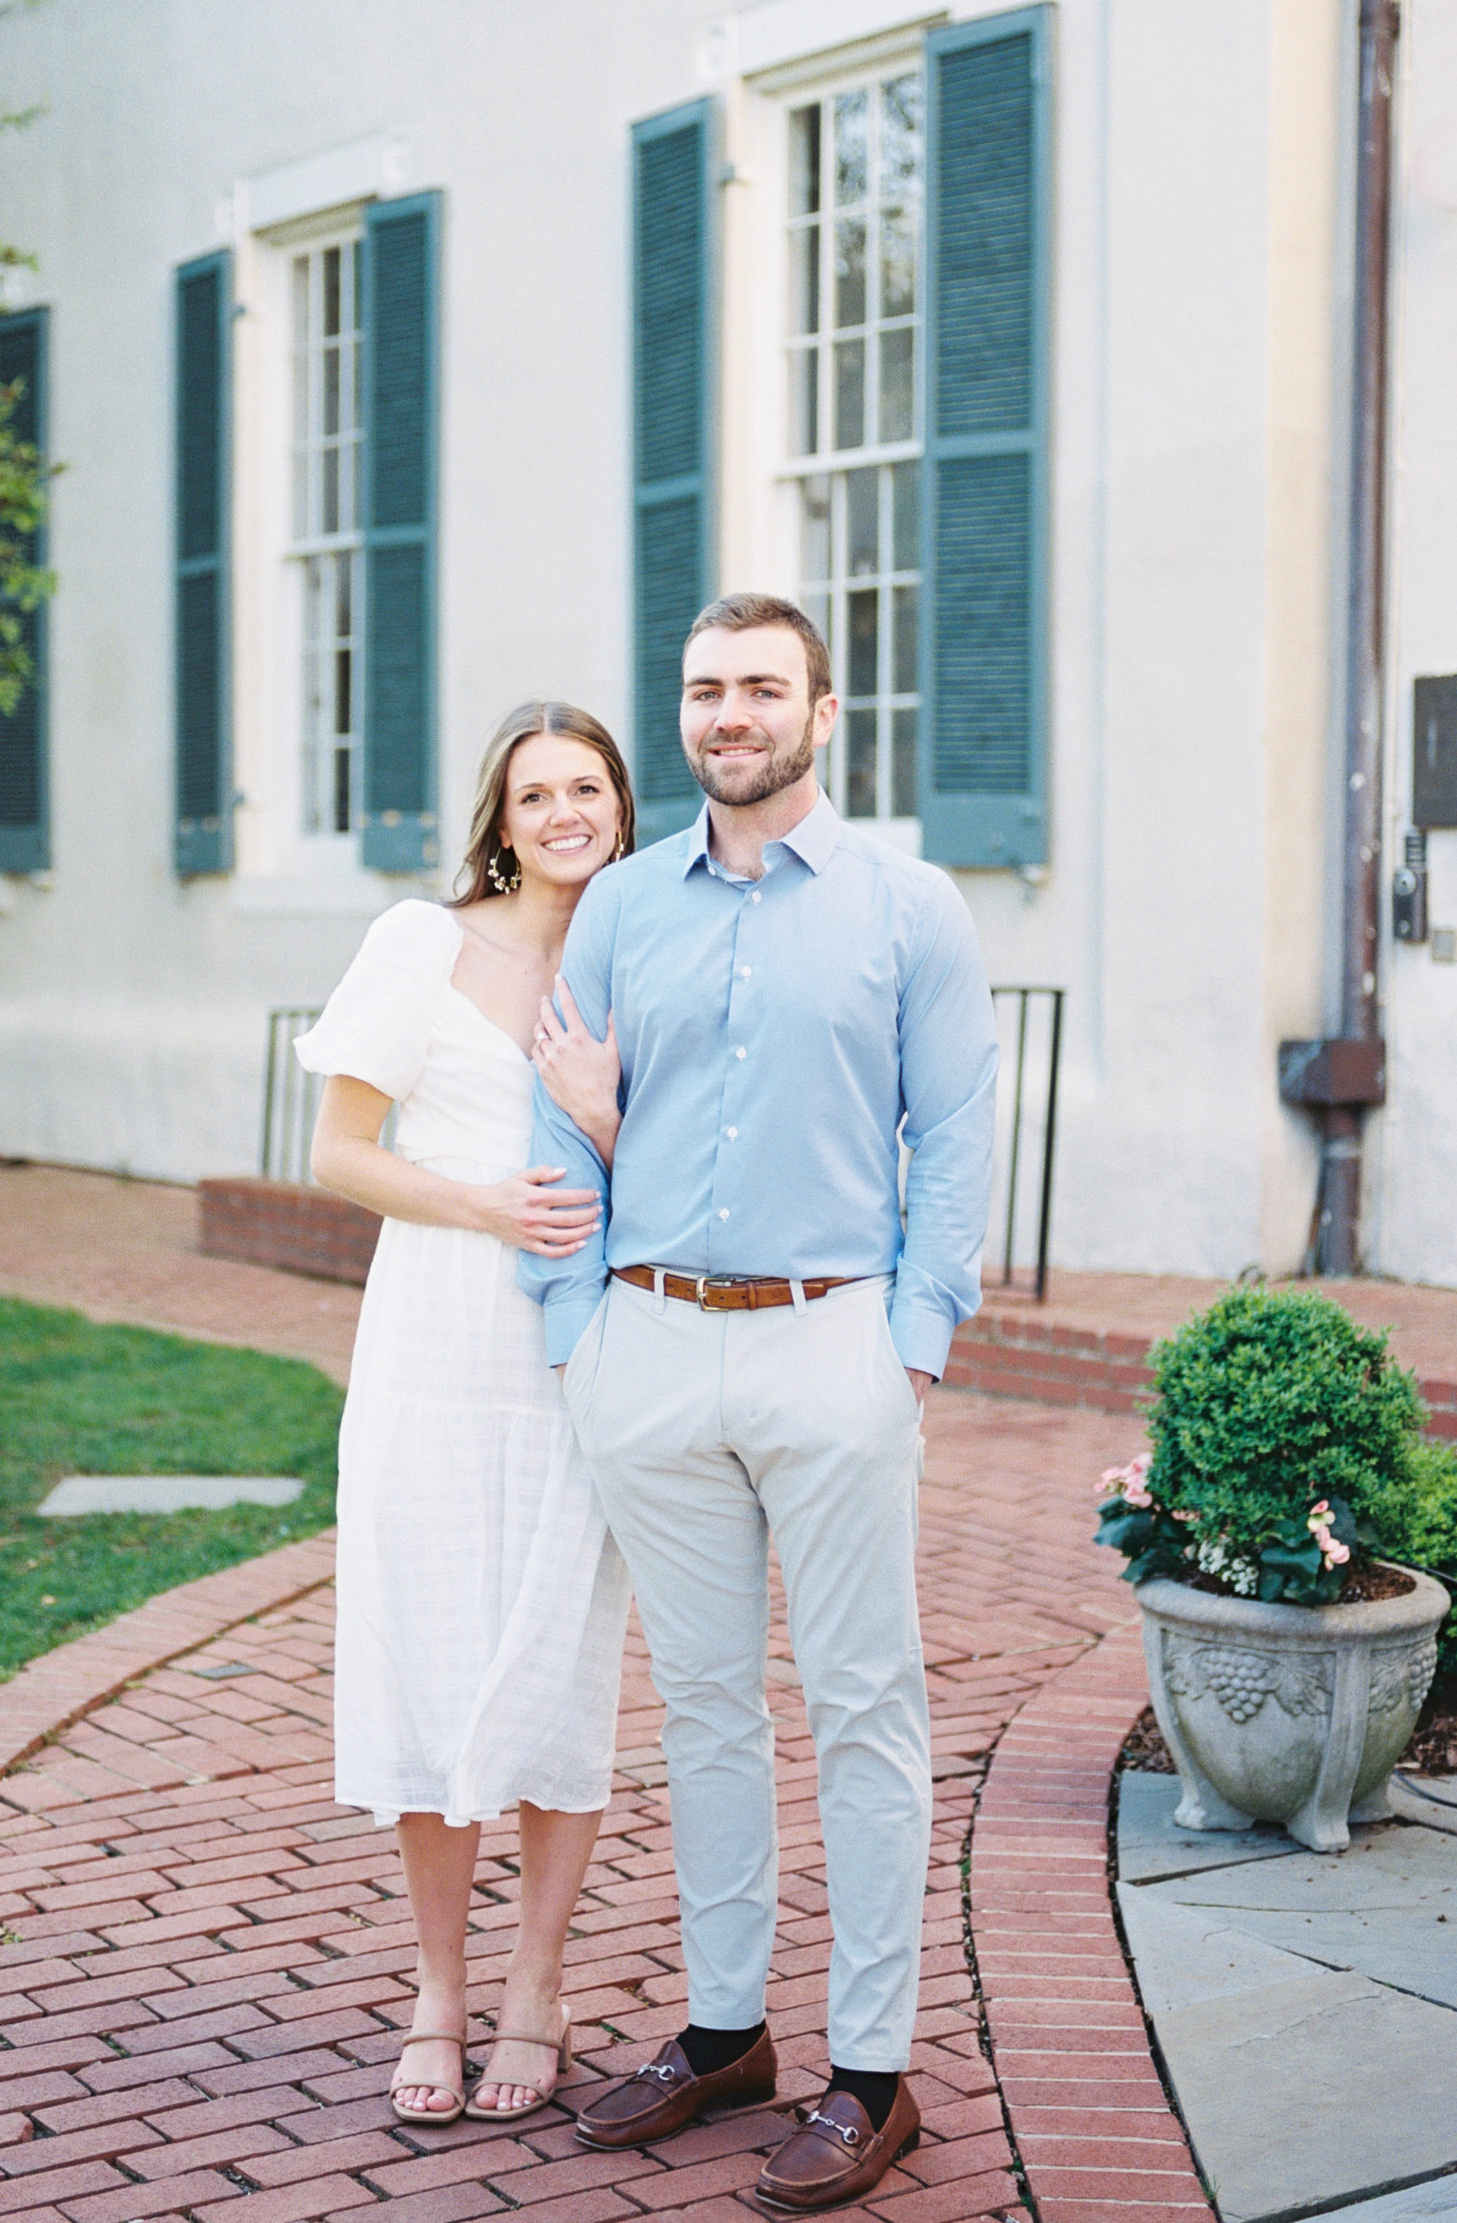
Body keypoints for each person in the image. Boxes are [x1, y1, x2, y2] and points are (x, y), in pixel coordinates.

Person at [519, 592, 998, 2213]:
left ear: (822, 709)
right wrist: (578, 1332)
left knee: (865, 1706)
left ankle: (873, 2072)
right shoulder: (621, 909)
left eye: (762, 688)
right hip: (647, 1348)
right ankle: (727, 2032)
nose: (732, 713)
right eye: (708, 688)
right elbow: (558, 1122)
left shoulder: (908, 908)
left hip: (831, 1347)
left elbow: (958, 1144)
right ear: (686, 710)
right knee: (708, 1710)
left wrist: (911, 1341)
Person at [297, 702, 634, 2126]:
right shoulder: (417, 945)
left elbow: (679, 1156)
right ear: (500, 821)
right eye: (536, 792)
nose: (565, 812)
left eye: (589, 787)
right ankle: (439, 1986)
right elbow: (336, 1155)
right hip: (437, 1334)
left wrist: (603, 1121)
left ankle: (537, 1989)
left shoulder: (642, 952)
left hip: (583, 1359)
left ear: (622, 804)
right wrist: (487, 1204)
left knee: (562, 1664)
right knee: (432, 1657)